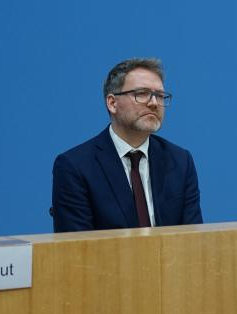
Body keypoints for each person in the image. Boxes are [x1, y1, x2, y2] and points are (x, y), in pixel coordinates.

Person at [51, 58, 202, 232]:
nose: (154, 103)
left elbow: (193, 240)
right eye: (142, 93)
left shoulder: (180, 161)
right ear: (112, 103)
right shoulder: (75, 166)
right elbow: (76, 249)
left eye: (160, 96)